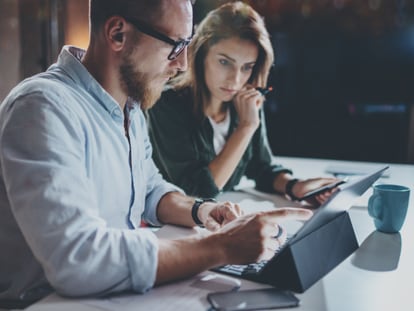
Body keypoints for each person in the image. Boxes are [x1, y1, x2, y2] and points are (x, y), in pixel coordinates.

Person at [0, 0, 313, 308]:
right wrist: (219, 247)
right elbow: (79, 260)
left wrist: (203, 211)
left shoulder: (130, 107)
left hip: (110, 293)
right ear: (118, 34)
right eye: (175, 46)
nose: (183, 64)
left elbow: (149, 189)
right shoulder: (42, 107)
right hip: (46, 302)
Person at [147, 1, 340, 203]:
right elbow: (197, 191)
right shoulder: (166, 104)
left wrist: (295, 186)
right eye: (224, 62)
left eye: (247, 67)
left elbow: (262, 168)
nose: (236, 80)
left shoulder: (245, 100)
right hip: (175, 226)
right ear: (201, 55)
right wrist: (246, 128)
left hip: (225, 214)